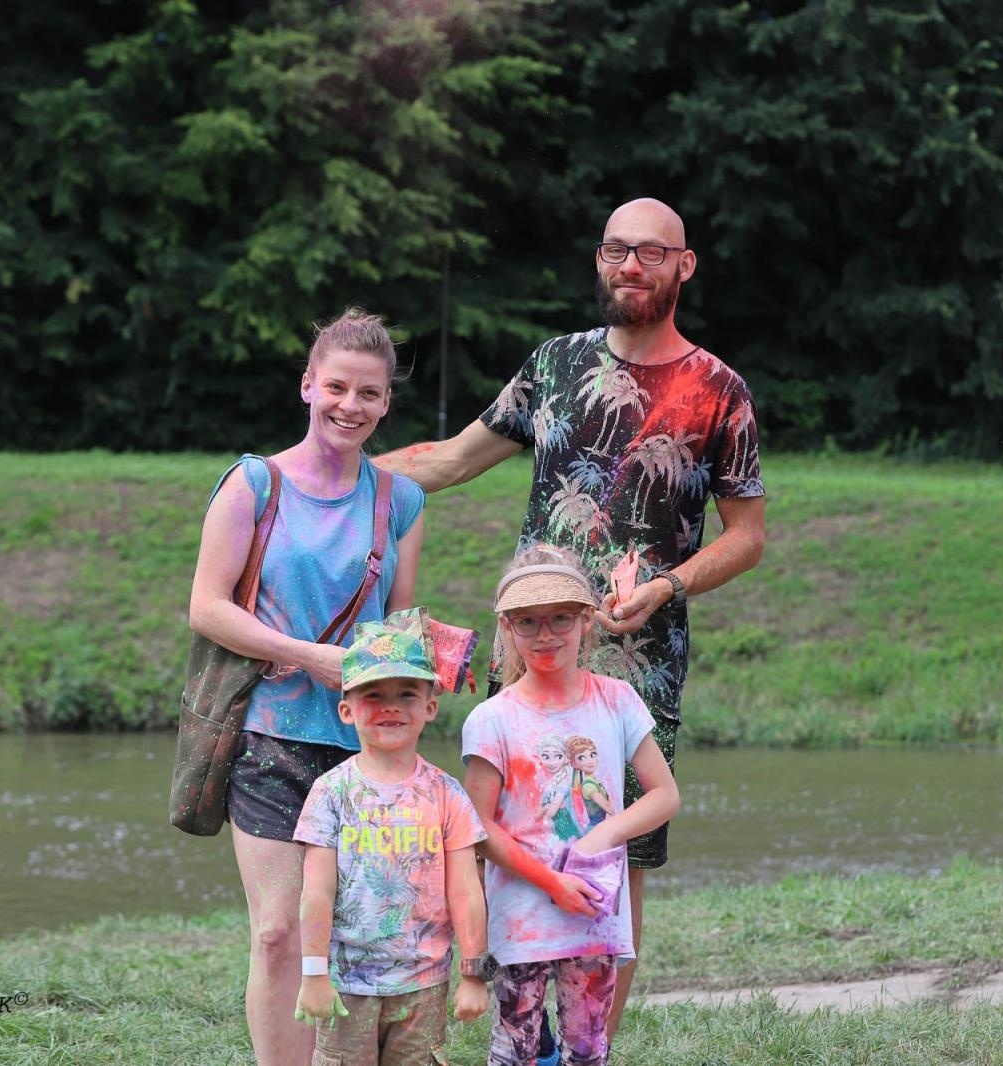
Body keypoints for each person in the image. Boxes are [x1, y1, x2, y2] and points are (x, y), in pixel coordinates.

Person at [377, 197, 767, 1036]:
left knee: (615, 871)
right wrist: (323, 472)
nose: (631, 266)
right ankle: (519, 1041)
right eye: (616, 250)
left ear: (684, 266)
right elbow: (449, 461)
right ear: (599, 259)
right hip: (526, 659)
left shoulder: (719, 391)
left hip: (637, 667)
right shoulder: (553, 364)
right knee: (501, 846)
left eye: (651, 252)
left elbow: (748, 538)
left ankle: (587, 1052)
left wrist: (665, 586)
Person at [187, 308, 426, 1066]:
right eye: (336, 387)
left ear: (386, 403)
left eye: (369, 393)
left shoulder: (400, 501)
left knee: (349, 933)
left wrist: (424, 658)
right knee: (277, 932)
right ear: (307, 387)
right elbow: (207, 607)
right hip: (269, 736)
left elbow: (395, 625)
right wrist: (305, 656)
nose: (350, 406)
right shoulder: (253, 483)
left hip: (363, 750)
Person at [461, 546, 680, 1065]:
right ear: (507, 627)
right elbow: (478, 827)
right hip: (522, 919)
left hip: (594, 914)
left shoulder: (618, 700)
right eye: (528, 621)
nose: (546, 634)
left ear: (586, 620)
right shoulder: (492, 719)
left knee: (587, 1047)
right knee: (515, 1050)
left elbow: (665, 795)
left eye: (561, 618)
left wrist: (603, 835)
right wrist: (552, 882)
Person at [293, 608, 491, 1065]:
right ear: (346, 710)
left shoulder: (447, 794)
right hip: (347, 982)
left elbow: (466, 890)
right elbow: (316, 892)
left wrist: (474, 973)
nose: (391, 706)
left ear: (430, 708)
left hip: (424, 984)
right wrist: (314, 974)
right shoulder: (330, 792)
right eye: (373, 694)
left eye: (407, 693)